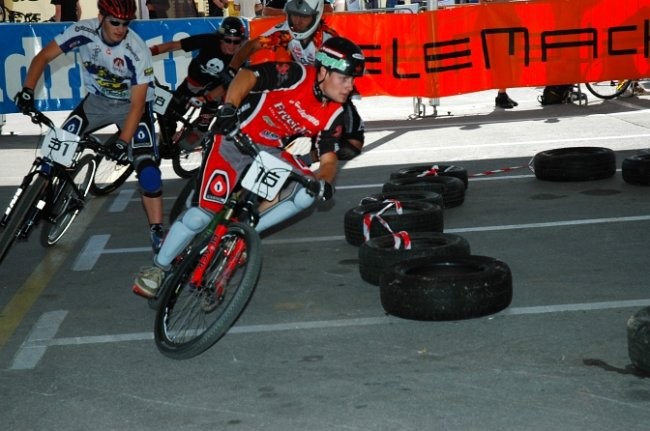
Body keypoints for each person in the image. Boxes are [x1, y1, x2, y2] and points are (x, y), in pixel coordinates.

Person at [131, 36, 365, 298]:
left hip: (270, 149)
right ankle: (158, 269)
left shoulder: (335, 113)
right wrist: (229, 108)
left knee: (307, 193)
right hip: (234, 136)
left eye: (353, 80)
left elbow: (328, 160)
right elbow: (248, 76)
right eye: (344, 78)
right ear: (323, 71)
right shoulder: (296, 75)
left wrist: (324, 181)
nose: (350, 86)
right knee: (200, 216)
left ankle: (245, 234)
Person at [14, 0, 166, 253]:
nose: (120, 29)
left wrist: (122, 141)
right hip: (95, 103)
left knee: (148, 171)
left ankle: (157, 232)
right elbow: (43, 57)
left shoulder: (136, 49)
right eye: (114, 22)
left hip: (132, 108)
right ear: (101, 16)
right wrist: (28, 90)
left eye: (125, 24)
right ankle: (39, 197)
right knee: (55, 148)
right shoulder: (83, 32)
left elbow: (139, 103)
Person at [229, 0, 364, 161]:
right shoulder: (285, 32)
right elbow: (253, 46)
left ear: (316, 15)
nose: (298, 21)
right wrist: (231, 69)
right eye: (294, 15)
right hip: (299, 86)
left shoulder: (328, 39)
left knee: (352, 146)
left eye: (304, 16)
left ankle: (299, 161)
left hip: (327, 92)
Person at [149, 16, 248, 150]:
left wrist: (206, 98)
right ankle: (164, 143)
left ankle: (189, 146)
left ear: (241, 42)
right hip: (193, 83)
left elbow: (226, 87)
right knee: (168, 116)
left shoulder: (241, 59)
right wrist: (148, 52)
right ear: (220, 38)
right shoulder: (208, 40)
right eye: (227, 40)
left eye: (236, 42)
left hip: (216, 92)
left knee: (199, 130)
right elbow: (174, 45)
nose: (231, 46)